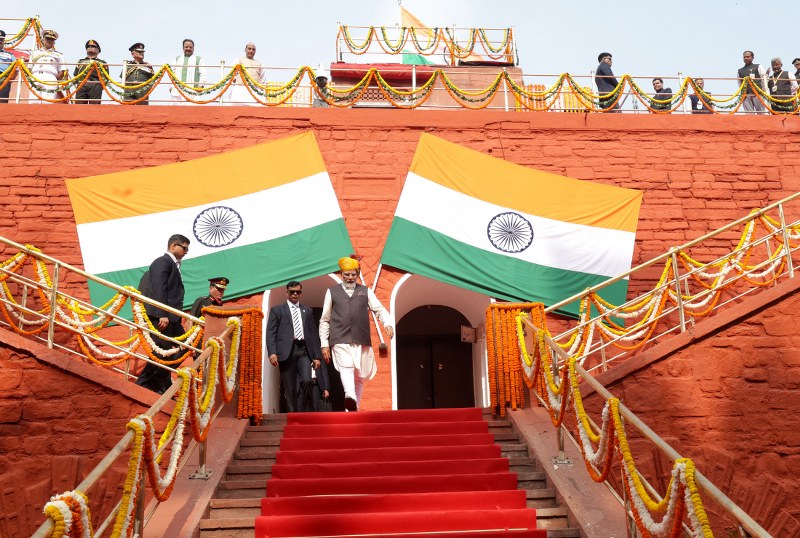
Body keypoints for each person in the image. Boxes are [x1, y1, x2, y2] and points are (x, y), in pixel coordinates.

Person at [319, 256, 393, 412]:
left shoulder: (365, 292)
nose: (350, 277)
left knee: (359, 374)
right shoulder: (332, 292)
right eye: (347, 274)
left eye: (353, 274)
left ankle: (354, 407)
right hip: (339, 338)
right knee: (346, 366)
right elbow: (325, 319)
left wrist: (387, 323)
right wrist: (324, 343)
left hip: (361, 338)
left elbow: (378, 309)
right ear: (341, 274)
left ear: (357, 274)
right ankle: (350, 396)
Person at [135, 234, 190, 394]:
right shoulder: (162, 262)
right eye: (184, 248)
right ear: (174, 246)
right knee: (162, 350)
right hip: (163, 317)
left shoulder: (173, 265)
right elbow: (159, 289)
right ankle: (144, 383)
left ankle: (159, 379)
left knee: (186, 346)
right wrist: (162, 314)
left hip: (173, 318)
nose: (186, 252)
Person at [266, 281, 323, 412]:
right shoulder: (277, 310)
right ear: (287, 292)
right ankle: (292, 413)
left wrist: (316, 356)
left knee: (307, 380)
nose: (295, 294)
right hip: (287, 351)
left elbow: (313, 334)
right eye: (292, 291)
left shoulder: (307, 311)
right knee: (289, 385)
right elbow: (271, 332)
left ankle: (302, 408)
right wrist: (272, 352)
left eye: (298, 292)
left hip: (303, 349)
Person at [28, 29, 67, 103]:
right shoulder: (35, 53)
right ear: (43, 40)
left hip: (50, 78)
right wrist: (32, 78)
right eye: (47, 38)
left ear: (54, 42)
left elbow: (62, 71)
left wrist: (55, 80)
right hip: (35, 76)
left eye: (52, 39)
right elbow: (29, 68)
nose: (49, 41)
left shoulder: (59, 55)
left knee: (48, 102)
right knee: (33, 102)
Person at [170, 38, 206, 105]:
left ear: (193, 48)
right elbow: (172, 74)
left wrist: (201, 86)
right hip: (178, 91)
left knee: (194, 112)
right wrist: (171, 86)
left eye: (190, 47)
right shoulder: (177, 59)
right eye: (186, 47)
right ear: (183, 48)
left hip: (193, 91)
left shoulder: (199, 59)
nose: (188, 49)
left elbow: (203, 74)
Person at [73, 39, 108, 104]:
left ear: (98, 50)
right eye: (88, 47)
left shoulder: (102, 62)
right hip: (82, 84)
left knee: (94, 106)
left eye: (93, 46)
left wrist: (100, 86)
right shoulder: (80, 61)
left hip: (95, 84)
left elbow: (106, 77)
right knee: (79, 106)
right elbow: (76, 75)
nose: (90, 48)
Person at [0, 30, 16, 104]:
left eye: (2, 39)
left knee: (2, 101)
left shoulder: (10, 55)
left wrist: (9, 79)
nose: (0, 41)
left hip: (4, 78)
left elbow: (16, 69)